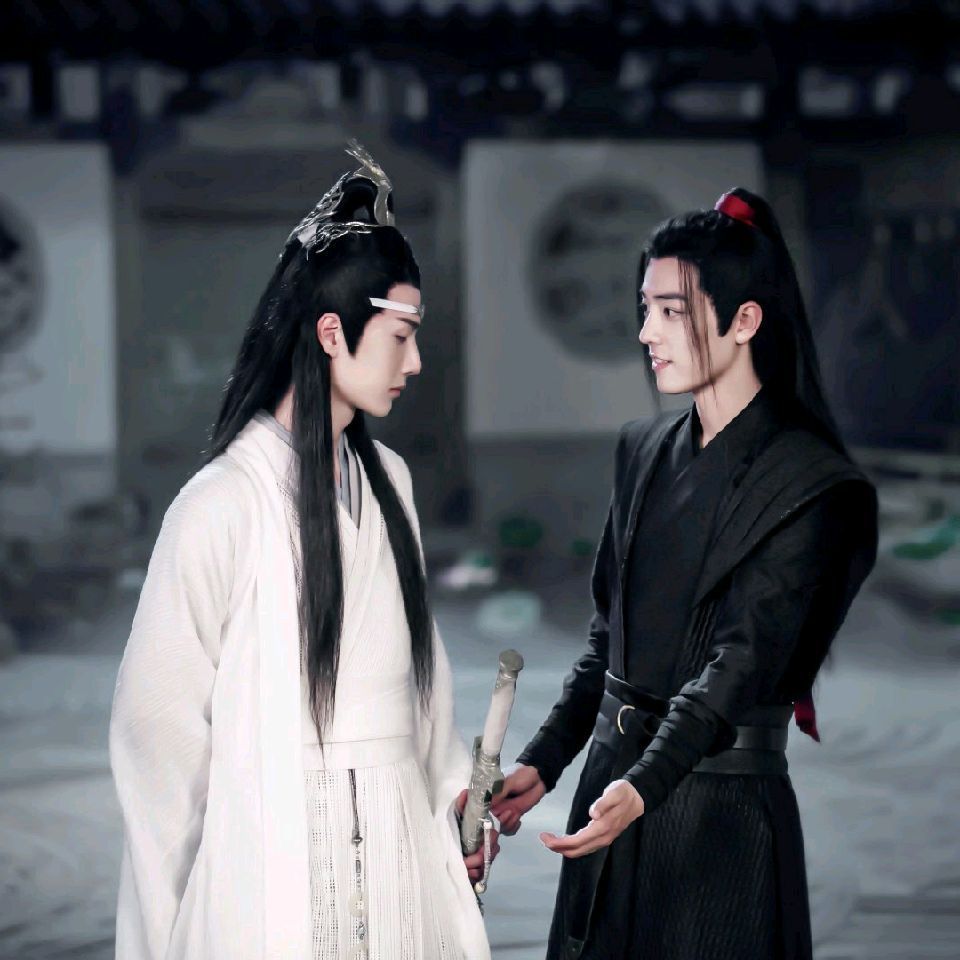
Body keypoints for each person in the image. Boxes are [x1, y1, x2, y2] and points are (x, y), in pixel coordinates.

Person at [110, 144, 493, 960]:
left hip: (399, 874)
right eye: (401, 336)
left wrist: (457, 796)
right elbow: (158, 744)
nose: (415, 361)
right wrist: (163, 931)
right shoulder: (218, 507)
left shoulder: (391, 485)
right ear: (331, 332)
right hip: (269, 877)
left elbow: (425, 695)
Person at [492, 188, 878, 960]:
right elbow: (610, 641)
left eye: (671, 311)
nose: (647, 332)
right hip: (611, 792)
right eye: (647, 309)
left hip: (719, 816)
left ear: (745, 321)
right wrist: (545, 759)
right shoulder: (642, 451)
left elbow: (739, 663)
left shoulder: (811, 487)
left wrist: (645, 784)